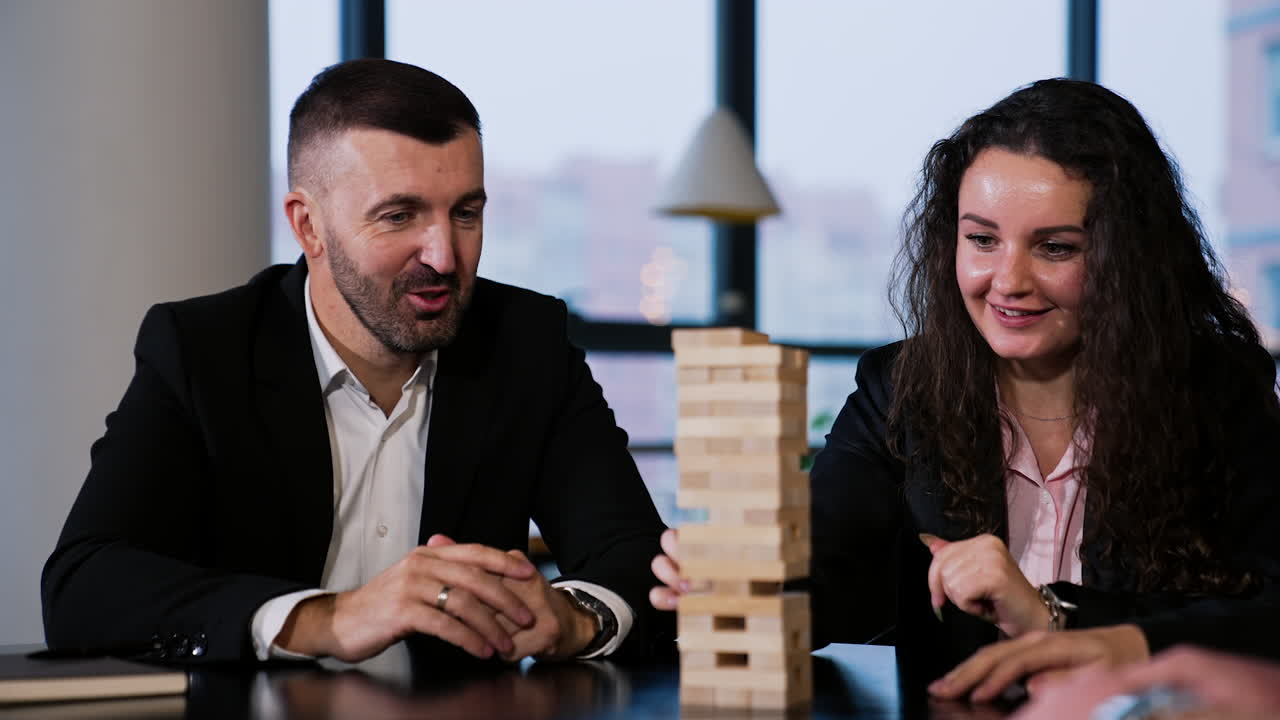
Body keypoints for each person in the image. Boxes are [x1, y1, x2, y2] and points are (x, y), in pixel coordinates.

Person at [651, 78, 1280, 702]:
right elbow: (828, 572)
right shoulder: (899, 389)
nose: (1007, 281)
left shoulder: (1218, 396)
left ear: (1130, 260)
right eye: (981, 239)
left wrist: (1051, 615)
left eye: (1056, 249)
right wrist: (742, 578)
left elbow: (1265, 616)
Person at [42, 58, 673, 670]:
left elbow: (635, 557)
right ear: (308, 226)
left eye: (465, 214)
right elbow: (84, 583)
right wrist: (329, 619)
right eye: (399, 216)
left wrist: (574, 619)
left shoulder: (525, 343)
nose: (445, 257)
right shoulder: (204, 349)